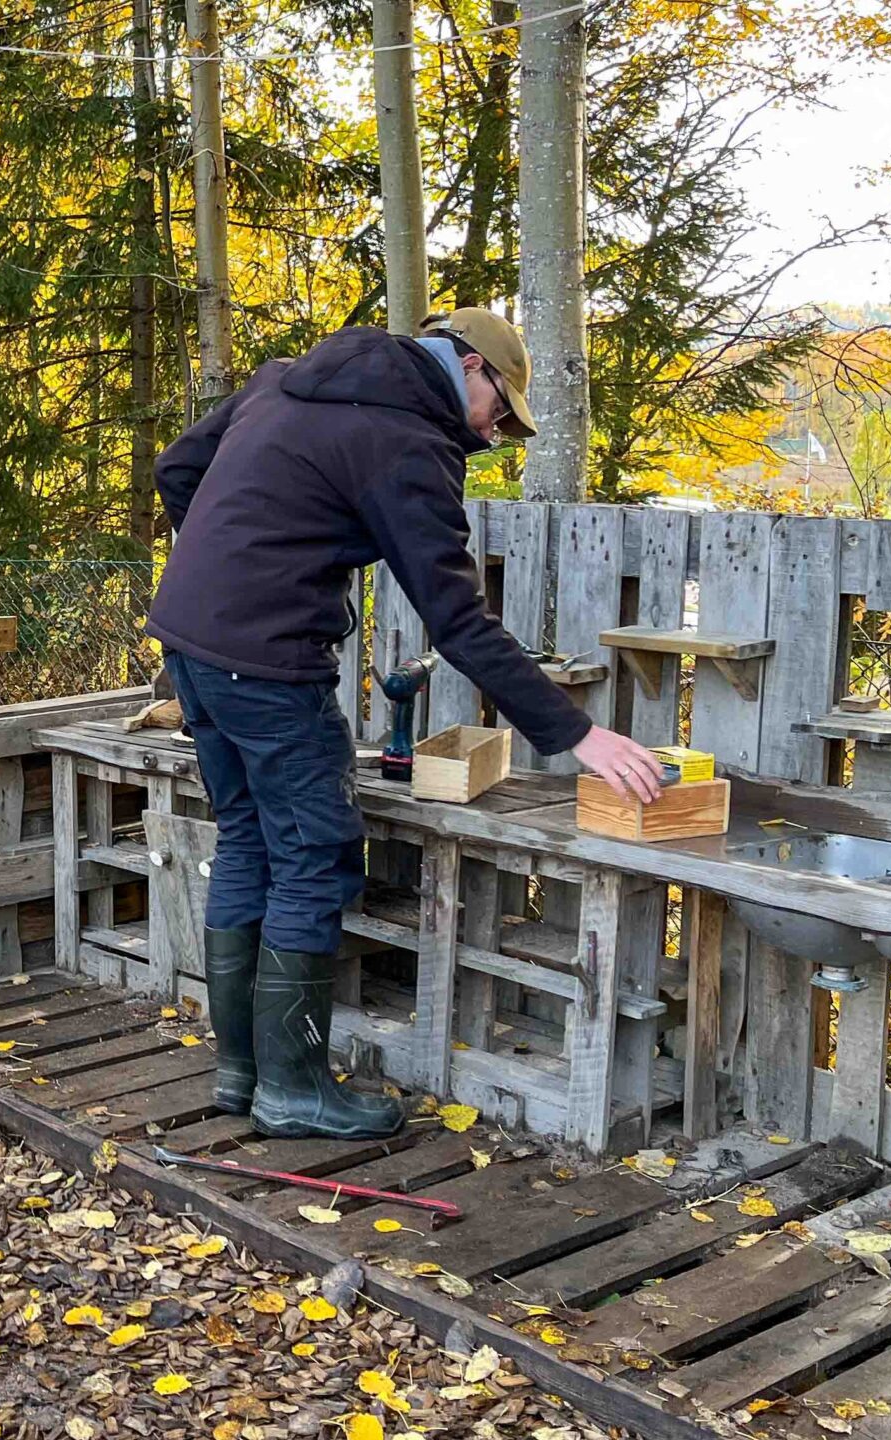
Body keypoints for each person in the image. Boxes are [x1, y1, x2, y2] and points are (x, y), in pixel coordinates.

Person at [148, 308, 667, 1142]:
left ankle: (241, 1072)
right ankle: (292, 1091)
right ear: (471, 367)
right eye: (501, 410)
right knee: (312, 858)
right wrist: (576, 734)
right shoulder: (407, 442)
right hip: (269, 664)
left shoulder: (285, 379)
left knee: (248, 839)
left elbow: (178, 470)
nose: (495, 433)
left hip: (190, 642)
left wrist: (233, 563)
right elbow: (458, 622)